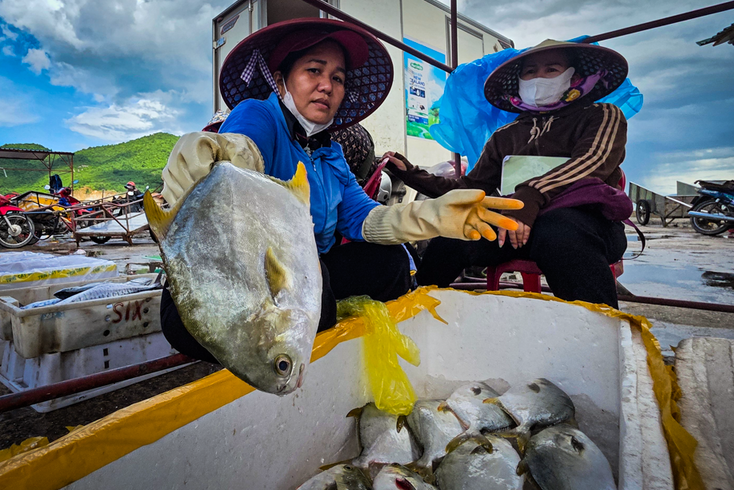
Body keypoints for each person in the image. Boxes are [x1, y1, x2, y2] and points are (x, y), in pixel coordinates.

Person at [157, 18, 521, 363]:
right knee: (316, 293)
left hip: (300, 281)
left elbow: (363, 216)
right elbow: (242, 153)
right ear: (282, 82)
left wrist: (433, 216)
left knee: (390, 263)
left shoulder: (331, 152)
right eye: (313, 71)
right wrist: (215, 156)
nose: (327, 86)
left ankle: (325, 338)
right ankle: (291, 357)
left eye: (338, 78)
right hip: (221, 289)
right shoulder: (259, 115)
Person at [383, 39, 630, 308]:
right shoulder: (506, 134)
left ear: (575, 77)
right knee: (454, 235)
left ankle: (599, 329)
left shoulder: (602, 115)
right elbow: (472, 186)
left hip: (585, 225)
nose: (538, 77)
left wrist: (532, 194)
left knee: (559, 234)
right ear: (520, 82)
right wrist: (413, 175)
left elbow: (593, 160)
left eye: (551, 70)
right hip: (512, 228)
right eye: (530, 71)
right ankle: (414, 311)